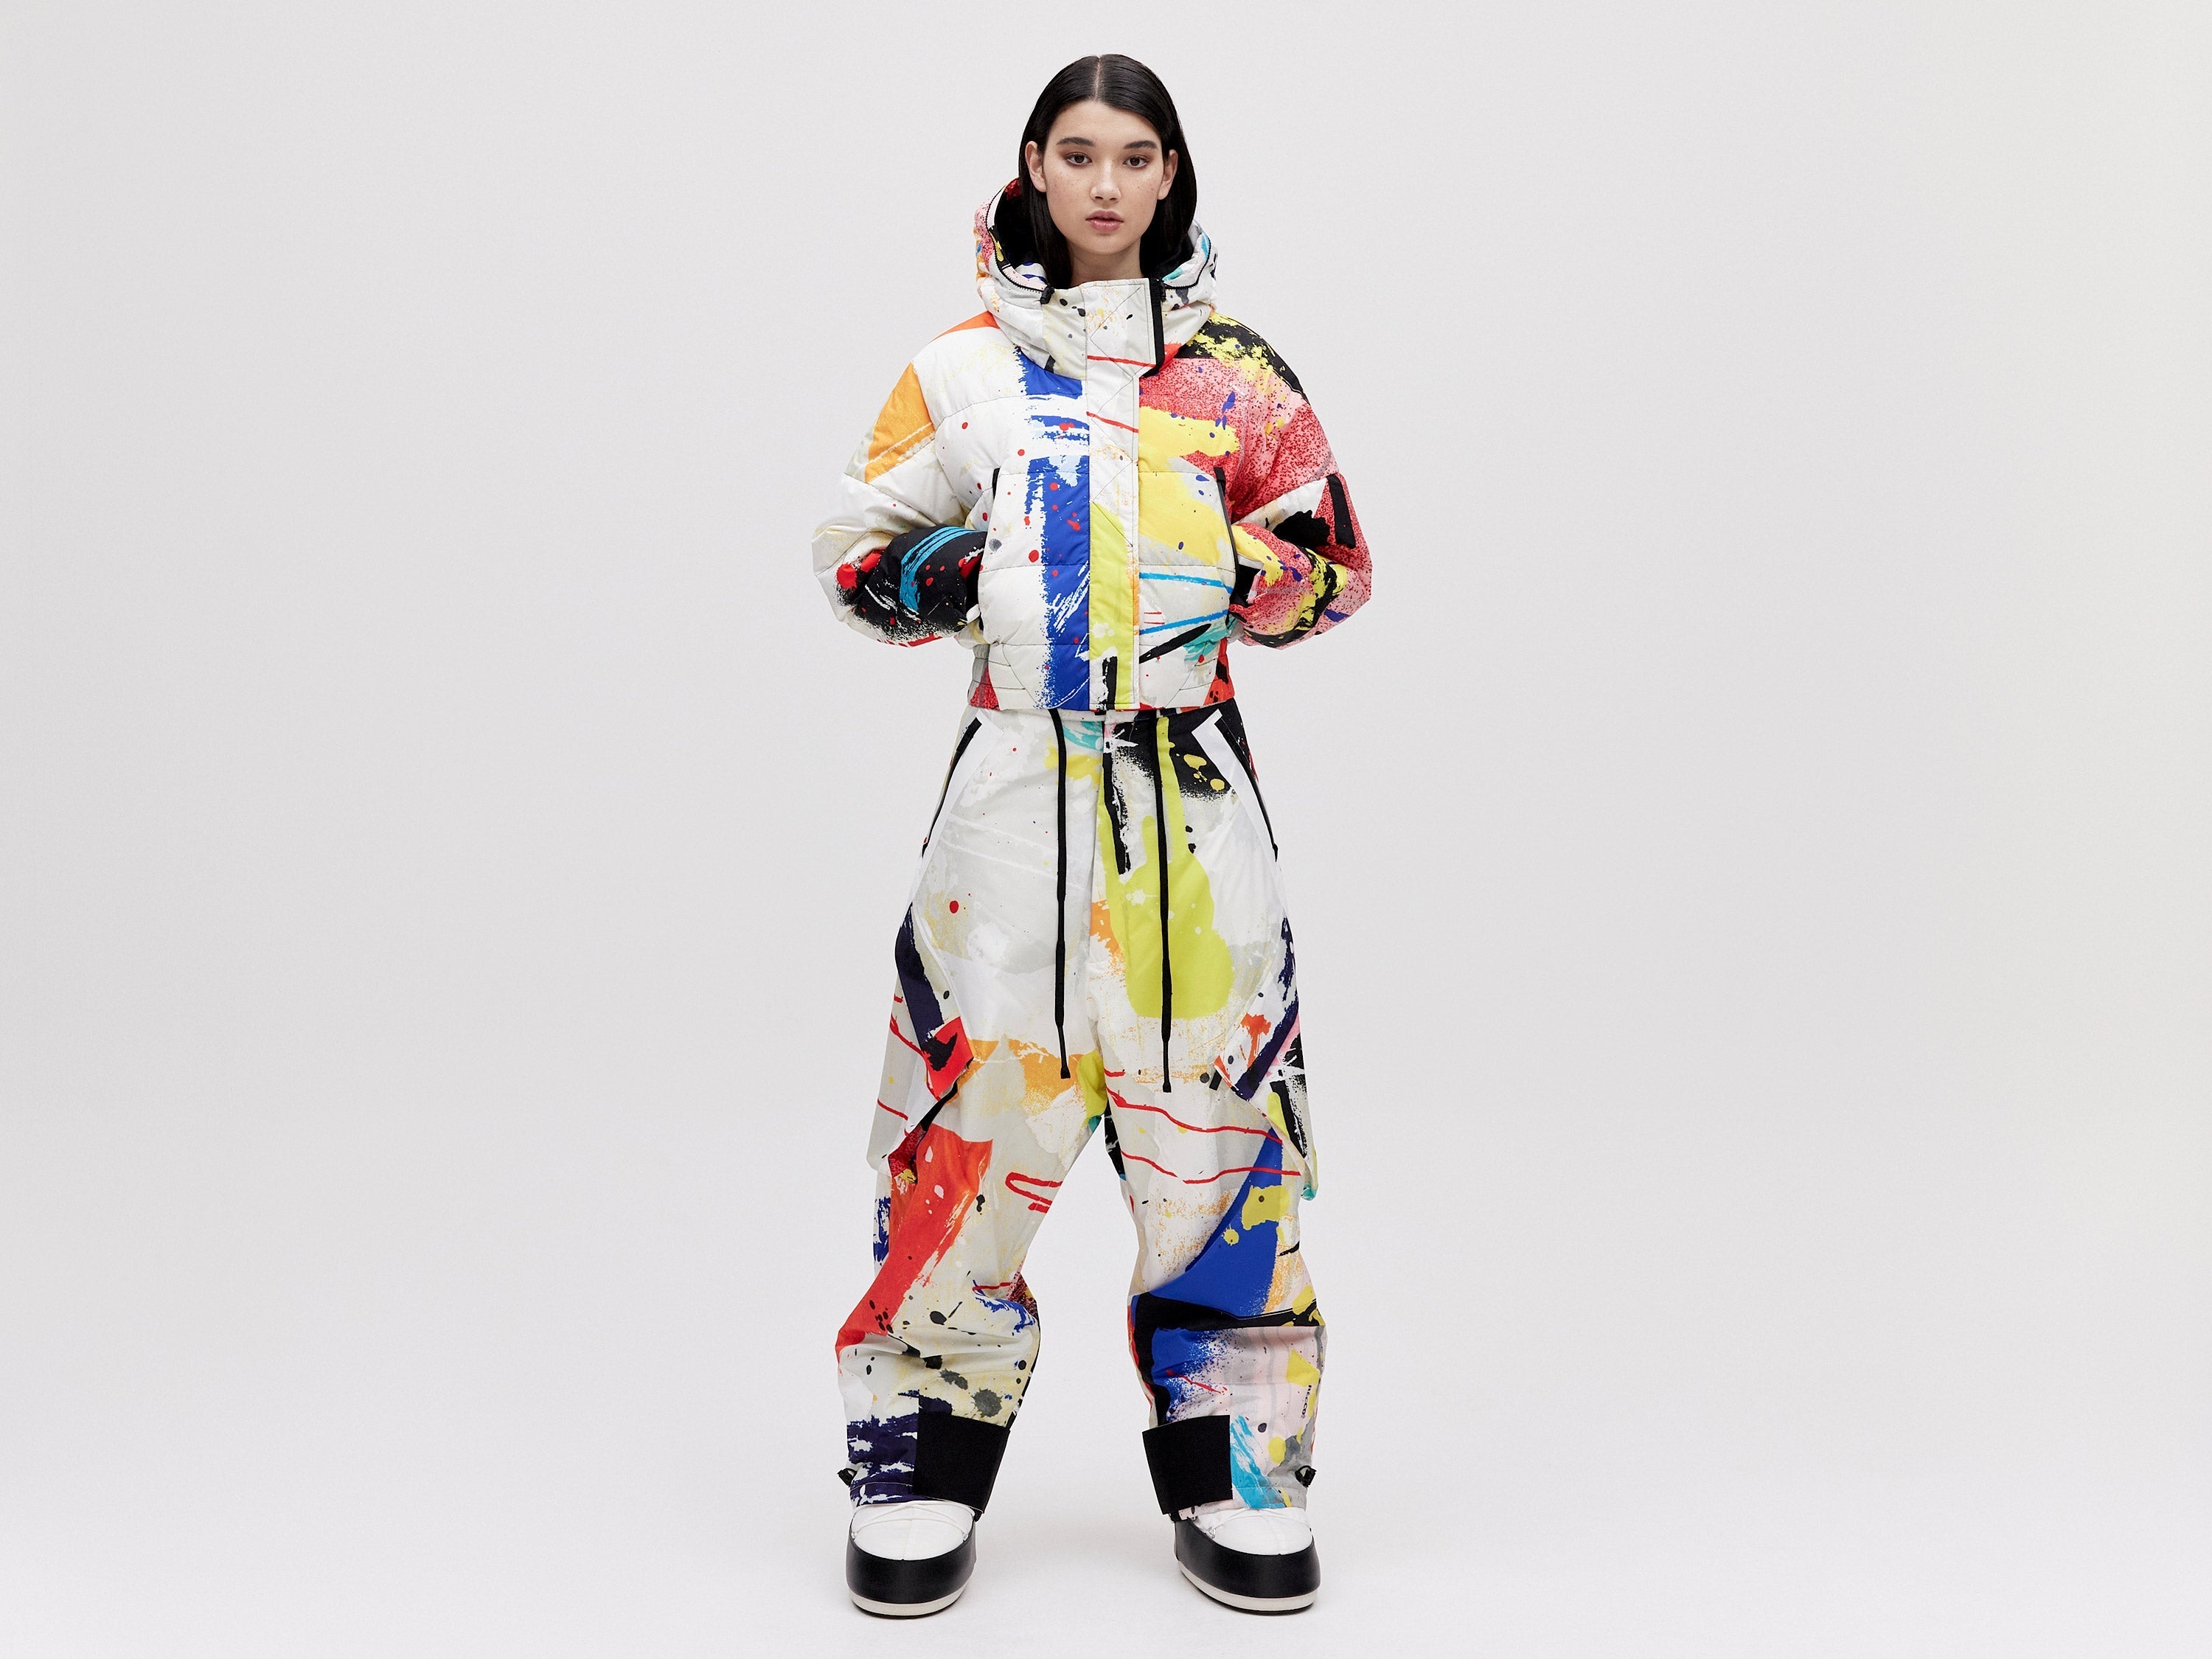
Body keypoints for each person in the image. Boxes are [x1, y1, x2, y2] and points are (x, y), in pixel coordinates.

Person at [811, 52, 1371, 1618]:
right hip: (1011, 797)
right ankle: (918, 1452)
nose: (1107, 185)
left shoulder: (1238, 375)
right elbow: (852, 554)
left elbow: (1336, 564)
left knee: (1219, 1125)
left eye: (1135, 156)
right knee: (968, 1116)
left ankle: (1242, 1461)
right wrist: (963, 567)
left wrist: (1232, 570)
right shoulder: (960, 372)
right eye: (1079, 154)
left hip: (1190, 807)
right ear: (1034, 166)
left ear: (1171, 173)